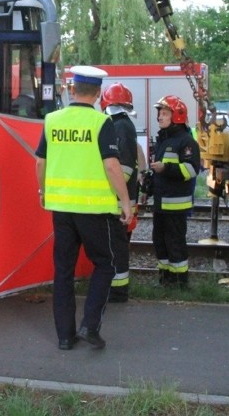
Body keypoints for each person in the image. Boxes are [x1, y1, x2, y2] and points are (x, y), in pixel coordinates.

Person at [35, 66, 133, 351]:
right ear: (98, 94)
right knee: (105, 264)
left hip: (61, 209)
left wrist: (43, 191)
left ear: (71, 90)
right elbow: (112, 166)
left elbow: (40, 162)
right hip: (94, 210)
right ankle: (90, 325)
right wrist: (124, 201)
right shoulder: (102, 123)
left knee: (63, 270)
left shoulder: (52, 120)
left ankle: (65, 337)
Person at [148, 95, 201, 288]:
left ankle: (179, 283)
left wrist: (166, 169)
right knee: (159, 242)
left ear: (176, 116)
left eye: (164, 113)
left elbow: (192, 169)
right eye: (159, 113)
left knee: (175, 243)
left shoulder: (186, 142)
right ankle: (165, 279)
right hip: (162, 203)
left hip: (176, 204)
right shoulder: (164, 139)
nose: (159, 117)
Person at [100, 82, 146, 303]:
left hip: (118, 200)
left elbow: (124, 168)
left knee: (117, 246)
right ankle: (116, 286)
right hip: (121, 199)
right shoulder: (123, 125)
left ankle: (117, 291)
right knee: (117, 245)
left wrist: (109, 188)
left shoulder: (119, 127)